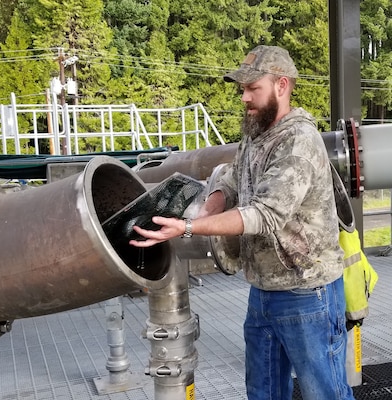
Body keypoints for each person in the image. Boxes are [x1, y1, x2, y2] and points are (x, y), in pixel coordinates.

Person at [129, 45, 355, 400]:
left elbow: (265, 214)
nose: (245, 97)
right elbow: (234, 176)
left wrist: (188, 228)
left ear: (282, 85)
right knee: (263, 391)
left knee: (324, 393)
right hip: (263, 290)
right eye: (242, 89)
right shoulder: (256, 132)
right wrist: (210, 204)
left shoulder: (298, 140)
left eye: (253, 88)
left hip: (307, 293)